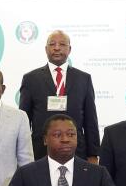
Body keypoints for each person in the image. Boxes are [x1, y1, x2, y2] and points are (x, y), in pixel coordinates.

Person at [19, 30, 99, 163]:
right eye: (52, 44)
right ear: (46, 49)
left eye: (62, 44)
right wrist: (23, 154)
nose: (57, 48)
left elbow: (91, 120)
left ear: (69, 49)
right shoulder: (30, 79)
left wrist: (93, 154)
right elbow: (24, 120)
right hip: (39, 151)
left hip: (77, 151)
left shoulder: (83, 79)